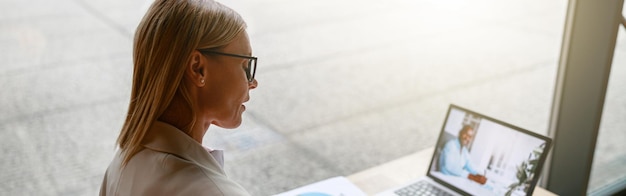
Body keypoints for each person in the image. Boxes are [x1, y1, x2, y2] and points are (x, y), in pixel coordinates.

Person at [100, 0, 257, 195]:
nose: (253, 82)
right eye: (245, 66)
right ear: (197, 68)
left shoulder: (122, 162)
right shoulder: (215, 191)